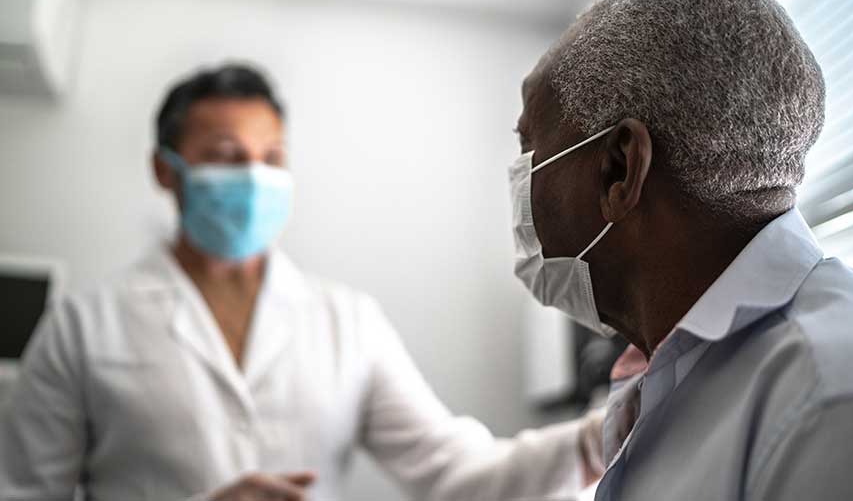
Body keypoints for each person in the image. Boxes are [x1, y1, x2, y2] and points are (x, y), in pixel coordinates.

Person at [0, 64, 601, 501]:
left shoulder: (346, 322)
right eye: (227, 156)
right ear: (166, 170)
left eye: (271, 159)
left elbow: (453, 471)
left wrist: (598, 437)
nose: (253, 177)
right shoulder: (83, 326)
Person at [509, 0, 853, 500]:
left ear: (619, 171)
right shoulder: (679, 372)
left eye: (528, 148)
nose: (520, 180)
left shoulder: (838, 406)